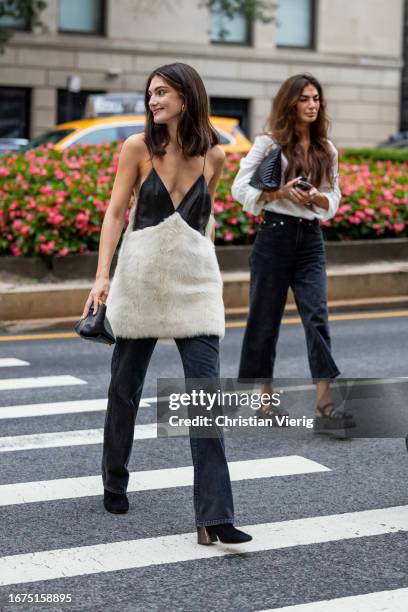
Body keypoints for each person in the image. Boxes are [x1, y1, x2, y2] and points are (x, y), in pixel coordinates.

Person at [80, 62, 251, 545]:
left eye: (162, 93)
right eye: (150, 94)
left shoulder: (214, 156)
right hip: (140, 280)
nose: (153, 101)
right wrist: (101, 278)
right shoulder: (136, 148)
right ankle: (114, 478)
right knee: (124, 389)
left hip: (194, 286)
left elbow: (203, 223)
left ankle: (214, 516)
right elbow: (116, 213)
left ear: (186, 96)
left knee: (205, 399)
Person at [232, 73, 354, 431]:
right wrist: (279, 193)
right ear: (290, 103)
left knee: (317, 318)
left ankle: (325, 404)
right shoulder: (269, 144)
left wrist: (316, 197)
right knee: (264, 319)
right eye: (305, 99)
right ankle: (265, 402)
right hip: (274, 237)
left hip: (310, 241)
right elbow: (240, 189)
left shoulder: (326, 149)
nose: (312, 105)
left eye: (316, 98)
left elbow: (333, 200)